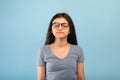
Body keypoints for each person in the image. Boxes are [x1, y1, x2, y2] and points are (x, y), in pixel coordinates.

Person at [37, 13, 85, 80]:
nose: (60, 28)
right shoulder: (43, 51)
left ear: (70, 30)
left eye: (64, 25)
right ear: (51, 29)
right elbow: (41, 78)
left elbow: (81, 77)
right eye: (56, 25)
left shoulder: (78, 50)